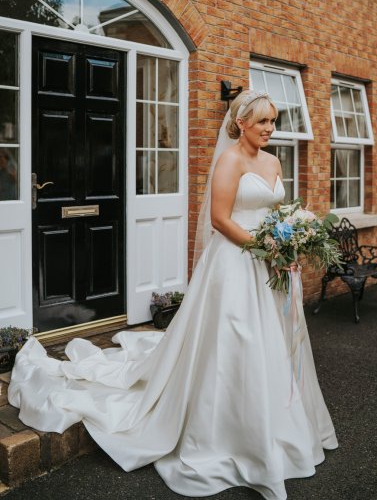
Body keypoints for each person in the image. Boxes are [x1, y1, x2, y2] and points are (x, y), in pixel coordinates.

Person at [9, 90, 338, 500]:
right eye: (263, 122)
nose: (271, 129)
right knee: (237, 339)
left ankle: (276, 427)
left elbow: (277, 213)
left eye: (274, 121)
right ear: (241, 124)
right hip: (236, 262)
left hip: (269, 265)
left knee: (273, 343)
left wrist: (288, 245)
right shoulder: (230, 160)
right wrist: (266, 248)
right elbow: (220, 220)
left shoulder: (273, 161)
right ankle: (230, 431)